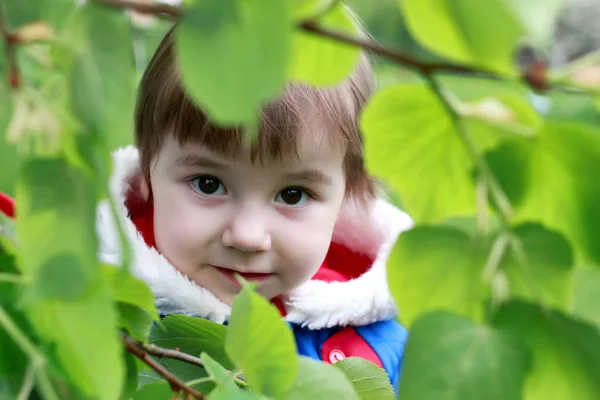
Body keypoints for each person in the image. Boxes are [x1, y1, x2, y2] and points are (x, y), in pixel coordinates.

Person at [1, 22, 414, 392]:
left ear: (348, 196)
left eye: (292, 195)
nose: (249, 236)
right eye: (209, 184)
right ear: (147, 174)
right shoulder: (95, 311)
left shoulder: (375, 346)